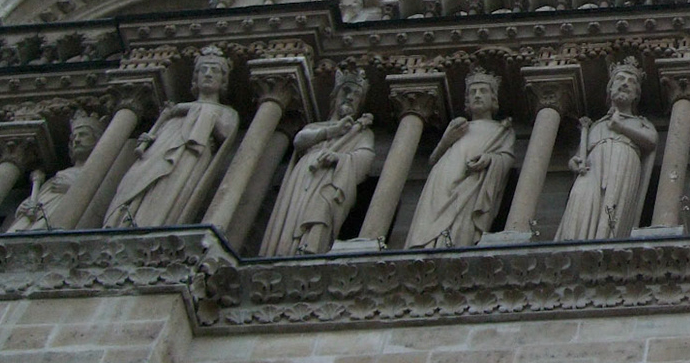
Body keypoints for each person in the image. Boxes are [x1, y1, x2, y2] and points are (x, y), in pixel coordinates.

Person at [104, 47, 241, 228]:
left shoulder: (226, 112)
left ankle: (152, 225)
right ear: (195, 77)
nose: (208, 74)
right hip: (156, 153)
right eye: (203, 70)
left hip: (187, 157)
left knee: (167, 192)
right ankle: (121, 222)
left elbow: (225, 135)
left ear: (223, 80)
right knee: (135, 184)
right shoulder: (173, 111)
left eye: (215, 70)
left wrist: (195, 110)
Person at [258, 67, 377, 255]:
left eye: (356, 95)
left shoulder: (362, 133)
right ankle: (285, 250)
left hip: (334, 178)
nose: (350, 97)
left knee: (323, 206)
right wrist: (332, 131)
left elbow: (366, 159)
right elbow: (299, 141)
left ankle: (311, 249)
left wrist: (339, 158)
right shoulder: (316, 126)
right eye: (346, 91)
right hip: (306, 174)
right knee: (296, 212)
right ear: (334, 97)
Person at [404, 70, 515, 249]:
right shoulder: (458, 127)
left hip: (472, 182)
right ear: (467, 101)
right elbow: (433, 160)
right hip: (442, 181)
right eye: (472, 92)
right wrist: (446, 140)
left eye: (483, 91)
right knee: (429, 225)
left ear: (493, 98)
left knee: (461, 225)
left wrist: (488, 160)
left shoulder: (501, 130)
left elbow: (507, 160)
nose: (477, 95)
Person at [556, 59, 657, 240]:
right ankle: (576, 240)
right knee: (581, 197)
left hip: (622, 165)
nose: (625, 84)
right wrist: (574, 162)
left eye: (631, 82)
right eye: (620, 79)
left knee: (612, 204)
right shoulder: (596, 125)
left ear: (636, 95)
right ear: (610, 89)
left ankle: (606, 241)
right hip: (592, 170)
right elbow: (581, 155)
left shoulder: (640, 123)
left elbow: (651, 141)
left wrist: (621, 127)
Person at [7, 111, 101, 233]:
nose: (77, 140)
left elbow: (100, 199)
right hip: (41, 216)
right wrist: (25, 206)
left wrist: (72, 189)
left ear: (97, 139)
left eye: (83, 135)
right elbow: (42, 196)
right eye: (74, 137)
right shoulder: (62, 174)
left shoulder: (99, 172)